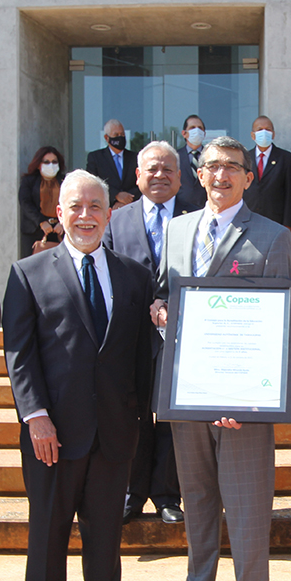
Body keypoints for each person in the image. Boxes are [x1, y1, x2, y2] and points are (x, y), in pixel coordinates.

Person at [148, 136, 291, 581]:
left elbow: (281, 326)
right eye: (211, 166)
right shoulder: (178, 228)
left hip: (242, 406)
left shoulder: (274, 237)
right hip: (189, 397)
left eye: (232, 167)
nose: (220, 175)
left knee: (249, 515)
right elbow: (163, 292)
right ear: (198, 174)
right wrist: (159, 309)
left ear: (249, 177)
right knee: (199, 509)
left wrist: (252, 399)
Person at [2, 170, 153, 581]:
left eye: (95, 206)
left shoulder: (133, 274)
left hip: (114, 431)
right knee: (48, 532)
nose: (85, 215)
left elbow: (139, 356)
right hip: (54, 433)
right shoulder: (28, 272)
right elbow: (20, 355)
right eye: (76, 206)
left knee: (105, 534)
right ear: (59, 213)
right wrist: (36, 416)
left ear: (110, 213)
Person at [102, 141, 187, 525]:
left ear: (181, 178)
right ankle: (132, 493)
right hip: (130, 336)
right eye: (152, 169)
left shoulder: (197, 217)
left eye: (168, 169)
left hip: (182, 335)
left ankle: (167, 495)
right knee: (134, 416)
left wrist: (173, 305)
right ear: (136, 176)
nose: (160, 175)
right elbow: (105, 276)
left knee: (171, 417)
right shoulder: (116, 220)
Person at [243, 115, 291, 231]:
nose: (264, 132)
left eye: (267, 129)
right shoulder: (244, 158)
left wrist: (288, 225)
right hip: (248, 220)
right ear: (252, 135)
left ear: (273, 134)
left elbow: (290, 195)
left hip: (275, 222)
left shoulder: (286, 159)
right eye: (259, 129)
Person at [18, 146, 66, 258]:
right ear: (39, 164)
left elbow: (70, 203)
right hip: (34, 231)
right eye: (46, 162)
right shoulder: (29, 181)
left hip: (59, 230)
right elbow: (25, 203)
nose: (51, 165)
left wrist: (63, 222)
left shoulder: (65, 180)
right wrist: (41, 222)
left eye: (54, 162)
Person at [86, 119, 140, 209]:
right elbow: (93, 183)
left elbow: (142, 182)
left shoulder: (135, 157)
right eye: (116, 135)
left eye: (122, 134)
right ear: (107, 138)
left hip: (132, 207)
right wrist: (116, 196)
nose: (120, 137)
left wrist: (127, 200)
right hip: (106, 209)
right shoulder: (95, 157)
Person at [176, 114, 209, 212]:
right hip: (181, 211)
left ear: (204, 133)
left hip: (206, 209)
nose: (197, 130)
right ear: (184, 133)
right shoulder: (175, 157)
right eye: (192, 128)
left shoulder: (211, 156)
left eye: (200, 128)